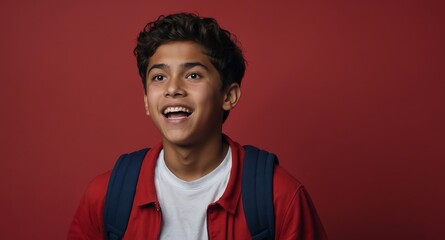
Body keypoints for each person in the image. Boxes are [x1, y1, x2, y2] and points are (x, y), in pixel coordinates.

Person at [68, 13, 328, 240]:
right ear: (147, 101)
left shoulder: (280, 197)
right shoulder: (105, 196)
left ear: (229, 96)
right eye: (159, 77)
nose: (172, 88)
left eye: (193, 75)